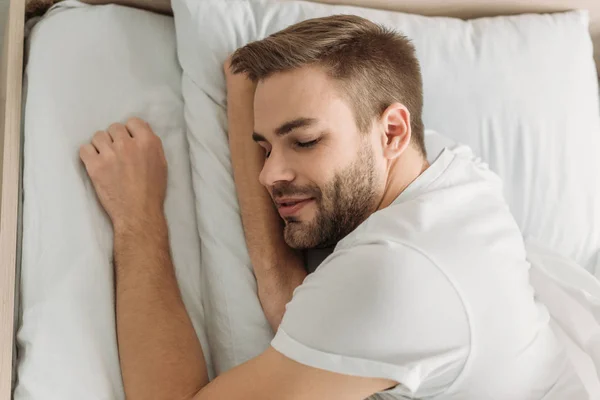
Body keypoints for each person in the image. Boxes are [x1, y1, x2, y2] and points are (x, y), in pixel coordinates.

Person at [79, 15, 586, 400]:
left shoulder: (397, 276)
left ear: (392, 130)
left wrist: (138, 217)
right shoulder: (449, 173)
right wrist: (242, 96)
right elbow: (290, 301)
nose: (267, 174)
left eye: (303, 141)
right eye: (264, 145)